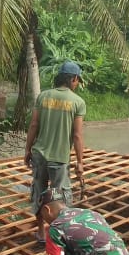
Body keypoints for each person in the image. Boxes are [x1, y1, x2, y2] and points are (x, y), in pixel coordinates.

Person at [25, 61, 86, 242]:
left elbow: (34, 124)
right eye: (77, 81)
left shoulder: (43, 96)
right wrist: (80, 162)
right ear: (73, 79)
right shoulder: (78, 102)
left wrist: (28, 149)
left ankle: (41, 232)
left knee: (39, 191)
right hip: (59, 158)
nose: (77, 84)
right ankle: (61, 234)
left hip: (39, 154)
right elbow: (77, 135)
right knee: (62, 196)